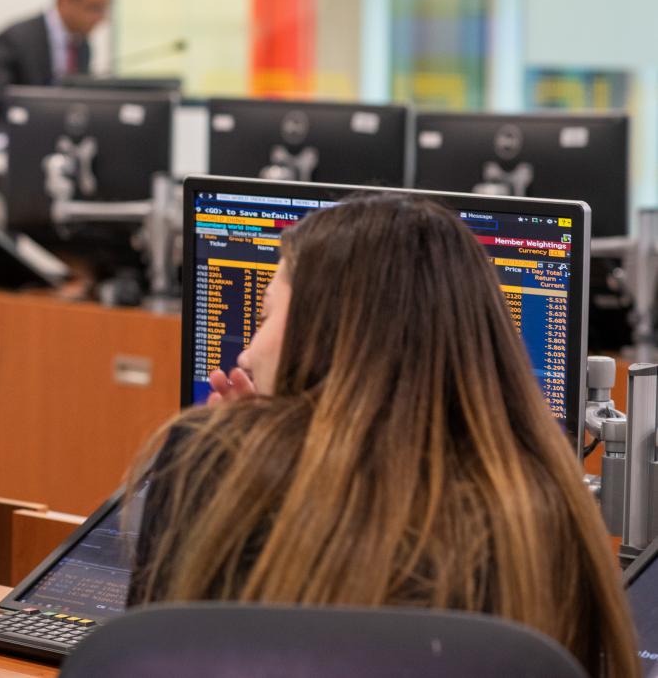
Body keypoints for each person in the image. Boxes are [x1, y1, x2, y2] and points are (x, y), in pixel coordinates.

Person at [127, 194, 637, 677]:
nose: (246, 352)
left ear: (327, 337)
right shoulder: (553, 514)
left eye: (263, 317)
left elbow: (142, 657)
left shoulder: (209, 465)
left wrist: (224, 456)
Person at [0, 0, 110, 126]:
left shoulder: (83, 47)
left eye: (103, 9)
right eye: (93, 8)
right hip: (18, 135)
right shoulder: (14, 40)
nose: (101, 19)